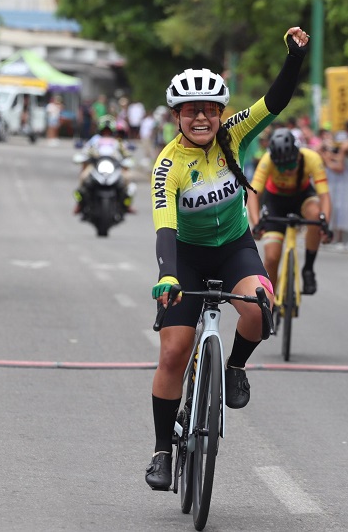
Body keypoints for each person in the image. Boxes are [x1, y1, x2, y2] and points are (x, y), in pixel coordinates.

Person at [146, 26, 309, 491]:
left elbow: (274, 102)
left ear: (221, 113)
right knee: (174, 351)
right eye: (191, 111)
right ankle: (161, 450)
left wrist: (294, 58)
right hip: (187, 258)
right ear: (177, 116)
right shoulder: (168, 165)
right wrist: (168, 276)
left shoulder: (234, 135)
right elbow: (164, 229)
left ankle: (234, 366)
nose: (201, 117)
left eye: (209, 110)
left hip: (235, 249)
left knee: (259, 306)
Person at [247, 127, 332, 296]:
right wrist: (256, 223)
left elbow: (324, 196)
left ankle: (308, 269)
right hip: (275, 202)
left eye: (291, 164)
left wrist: (325, 225)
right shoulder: (267, 159)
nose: (287, 170)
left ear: (298, 154)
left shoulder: (312, 158)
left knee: (315, 214)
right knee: (271, 257)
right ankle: (269, 303)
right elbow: (253, 193)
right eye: (281, 167)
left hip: (302, 197)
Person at [73, 115, 134, 215]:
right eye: (104, 131)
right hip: (96, 165)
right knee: (83, 177)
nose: (106, 133)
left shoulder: (118, 142)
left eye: (108, 131)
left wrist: (128, 158)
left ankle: (127, 203)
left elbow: (126, 153)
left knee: (127, 178)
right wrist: (83, 156)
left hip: (114, 167)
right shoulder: (94, 140)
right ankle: (79, 203)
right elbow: (85, 150)